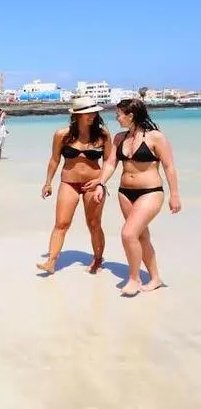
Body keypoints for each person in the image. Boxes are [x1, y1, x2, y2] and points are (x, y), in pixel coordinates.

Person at [86, 98, 181, 296]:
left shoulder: (156, 137)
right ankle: (155, 278)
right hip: (125, 193)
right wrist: (101, 183)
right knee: (141, 236)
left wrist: (175, 195)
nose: (116, 118)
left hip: (151, 191)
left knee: (128, 234)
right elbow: (111, 163)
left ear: (130, 116)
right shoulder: (120, 138)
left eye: (119, 114)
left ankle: (134, 278)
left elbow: (169, 167)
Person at [36, 96, 111, 274]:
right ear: (77, 115)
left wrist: (101, 182)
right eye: (87, 113)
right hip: (68, 183)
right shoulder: (62, 135)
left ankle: (97, 260)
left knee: (93, 223)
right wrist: (48, 183)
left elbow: (109, 162)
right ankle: (51, 261)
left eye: (94, 112)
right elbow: (54, 160)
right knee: (61, 223)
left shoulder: (103, 135)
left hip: (93, 184)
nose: (92, 115)